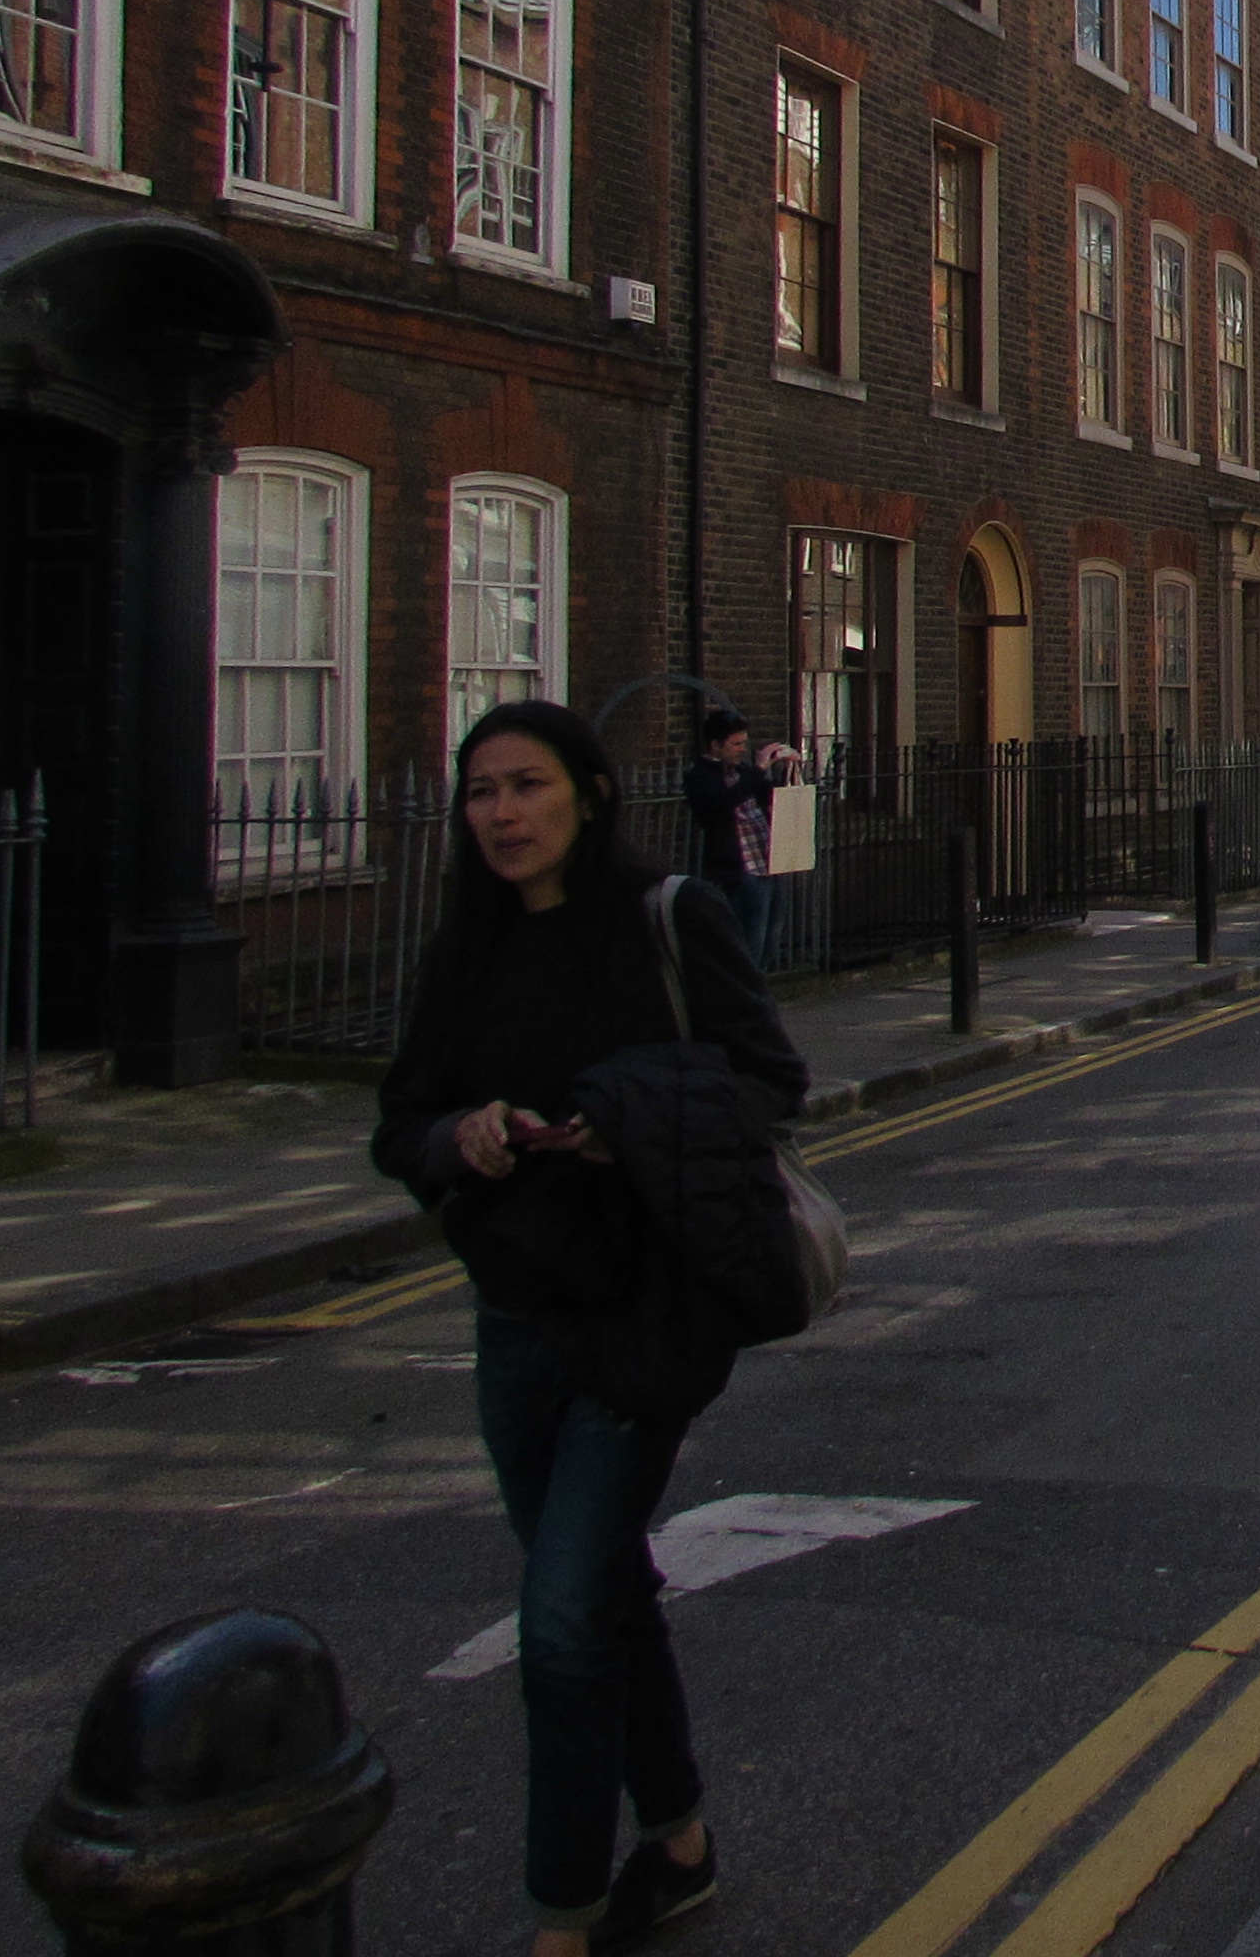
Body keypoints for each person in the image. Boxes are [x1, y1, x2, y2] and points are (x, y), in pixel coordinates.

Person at [375, 701, 809, 1957]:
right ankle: (678, 1844)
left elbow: (768, 1082)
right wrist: (457, 1137)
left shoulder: (669, 919)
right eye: (480, 793)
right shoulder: (467, 950)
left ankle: (559, 1919)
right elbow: (398, 1125)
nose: (501, 814)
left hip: (642, 1312)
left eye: (526, 785)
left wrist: (627, 1124)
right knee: (603, 1589)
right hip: (518, 1317)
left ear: (591, 793)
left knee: (561, 1621)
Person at [678, 710, 795, 960]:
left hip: (767, 864)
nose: (742, 749)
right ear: (715, 745)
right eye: (736, 744)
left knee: (770, 942)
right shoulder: (700, 776)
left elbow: (770, 799)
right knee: (748, 943)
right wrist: (758, 771)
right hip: (738, 871)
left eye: (744, 743)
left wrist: (786, 769)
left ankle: (761, 980)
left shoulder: (743, 772)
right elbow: (721, 803)